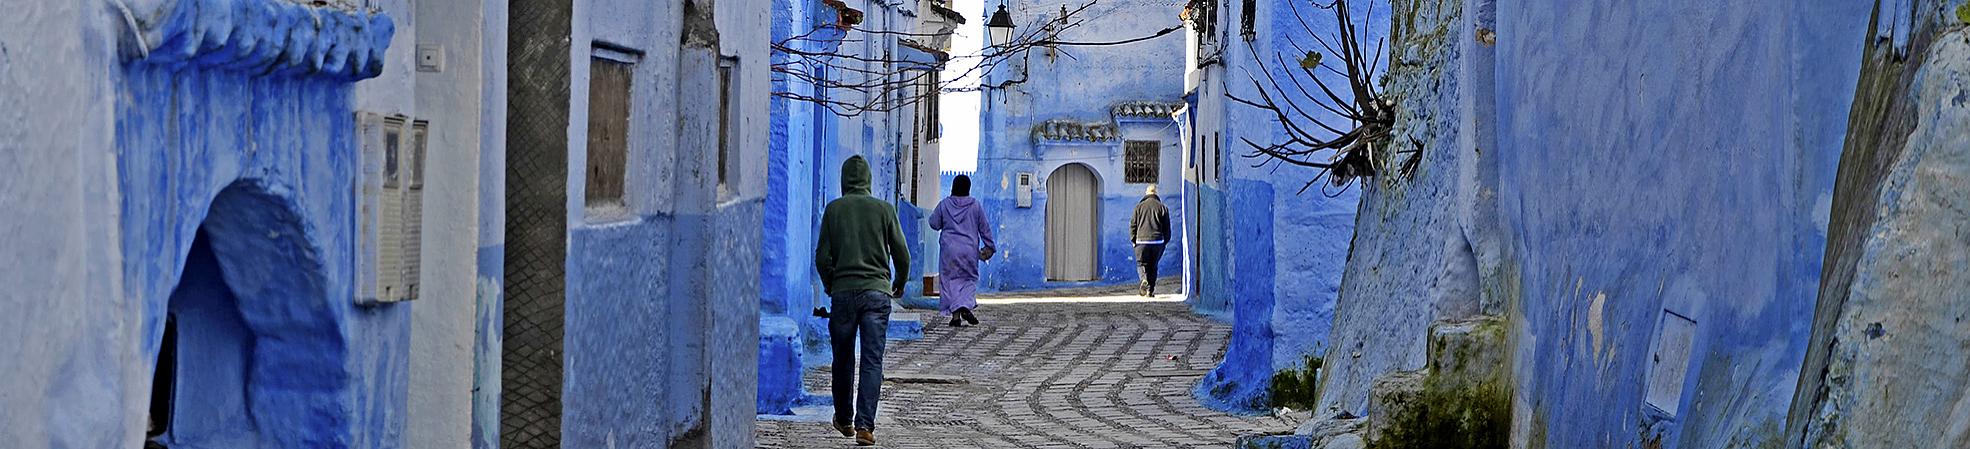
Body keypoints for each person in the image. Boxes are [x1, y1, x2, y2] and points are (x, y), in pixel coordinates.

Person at [814, 155, 911, 446]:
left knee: (842, 358)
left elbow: (822, 258)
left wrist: (832, 284)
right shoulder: (884, 210)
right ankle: (865, 427)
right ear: (868, 180)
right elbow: (902, 255)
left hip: (843, 293)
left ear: (844, 181)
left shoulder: (834, 210)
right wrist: (898, 283)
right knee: (872, 360)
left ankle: (843, 418)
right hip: (876, 294)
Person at [928, 175, 996, 327]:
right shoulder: (975, 206)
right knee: (968, 279)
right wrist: (990, 246)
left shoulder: (944, 205)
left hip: (949, 250)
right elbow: (984, 228)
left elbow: (934, 223)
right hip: (969, 250)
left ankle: (956, 316)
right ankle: (964, 305)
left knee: (949, 281)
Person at [1129, 184, 1171, 296]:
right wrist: (1164, 242)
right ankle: (1150, 291)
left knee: (1141, 264)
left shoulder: (1139, 207)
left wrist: (1133, 240)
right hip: (1158, 241)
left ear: (1146, 194)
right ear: (1156, 194)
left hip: (1141, 241)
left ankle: (1143, 279)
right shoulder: (1163, 208)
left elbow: (1133, 225)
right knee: (1153, 266)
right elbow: (1167, 229)